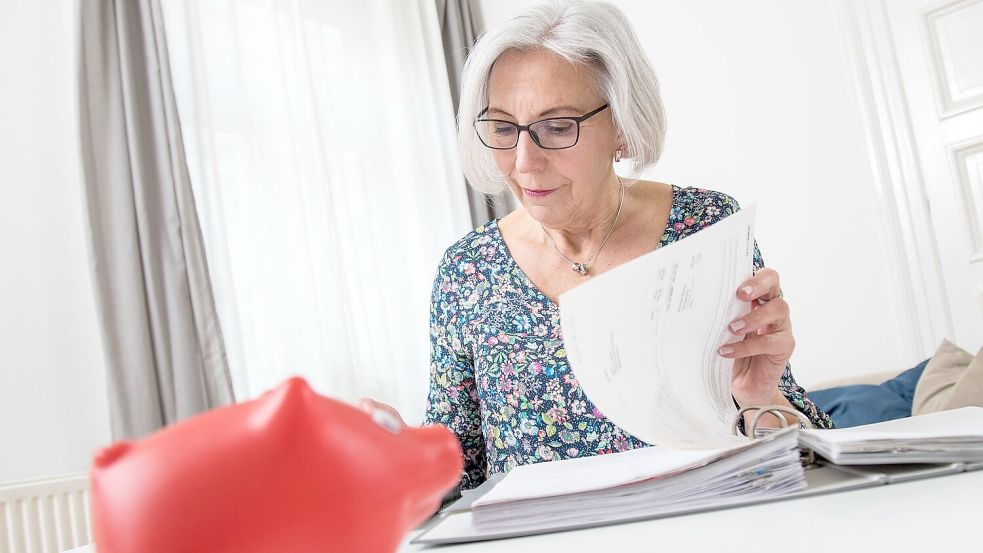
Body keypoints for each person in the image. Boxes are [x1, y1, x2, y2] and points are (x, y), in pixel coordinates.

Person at [358, 0, 833, 492]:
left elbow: (801, 454)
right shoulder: (467, 271)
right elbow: (460, 468)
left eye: (558, 127)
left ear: (623, 127)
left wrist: (759, 398)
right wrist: (400, 460)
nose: (524, 162)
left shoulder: (705, 227)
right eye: (503, 128)